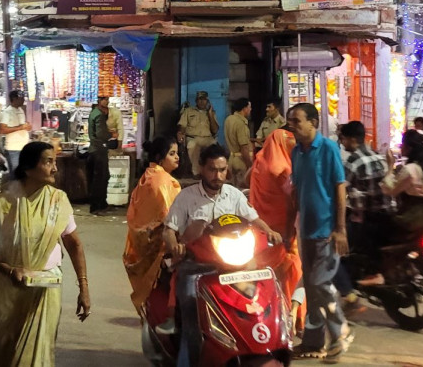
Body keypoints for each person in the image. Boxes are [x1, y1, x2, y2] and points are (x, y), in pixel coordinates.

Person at [163, 144, 282, 367]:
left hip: (235, 263)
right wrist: (175, 246)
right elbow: (169, 230)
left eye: (222, 170)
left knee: (264, 292)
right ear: (201, 169)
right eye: (212, 170)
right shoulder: (186, 197)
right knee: (191, 316)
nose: (218, 176)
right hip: (197, 266)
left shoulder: (234, 195)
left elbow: (254, 219)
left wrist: (270, 232)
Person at [0, 141, 91, 367]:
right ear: (28, 168)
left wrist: (84, 288)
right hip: (12, 292)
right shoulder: (3, 203)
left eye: (55, 162)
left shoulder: (57, 200)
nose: (55, 168)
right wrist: (11, 270)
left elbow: (74, 244)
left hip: (47, 289)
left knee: (40, 355)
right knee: (8, 353)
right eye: (48, 162)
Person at [287, 103, 353, 363]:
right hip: (306, 230)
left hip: (327, 231)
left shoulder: (328, 148)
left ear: (313, 122)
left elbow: (339, 188)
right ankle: (312, 342)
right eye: (290, 121)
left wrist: (340, 229)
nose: (292, 126)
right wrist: (290, 227)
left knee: (319, 284)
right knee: (312, 289)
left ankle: (340, 333)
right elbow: (297, 191)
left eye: (297, 121)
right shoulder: (296, 152)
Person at [248, 126, 305, 330]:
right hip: (283, 231)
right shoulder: (283, 169)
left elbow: (247, 181)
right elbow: (292, 203)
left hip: (260, 229)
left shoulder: (259, 161)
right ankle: (295, 318)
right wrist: (290, 233)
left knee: (263, 273)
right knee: (293, 270)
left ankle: (268, 315)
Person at [123, 136, 181, 313]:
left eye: (177, 153)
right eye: (172, 153)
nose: (177, 157)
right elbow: (167, 216)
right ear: (160, 157)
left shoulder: (151, 176)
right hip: (159, 244)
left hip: (144, 240)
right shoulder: (160, 181)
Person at [337, 121, 392, 288]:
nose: (342, 143)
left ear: (352, 139)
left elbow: (340, 187)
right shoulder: (378, 156)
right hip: (387, 214)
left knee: (338, 249)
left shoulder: (353, 161)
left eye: (344, 139)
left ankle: (348, 291)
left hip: (368, 218)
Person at [381, 130, 423, 234]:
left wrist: (390, 165)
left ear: (409, 148)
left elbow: (390, 190)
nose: (401, 147)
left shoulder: (411, 169)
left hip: (411, 221)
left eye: (402, 145)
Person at [176, 91, 219, 177]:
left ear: (207, 101)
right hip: (193, 138)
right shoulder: (188, 111)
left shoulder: (211, 113)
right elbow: (182, 125)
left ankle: (212, 170)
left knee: (214, 147)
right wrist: (180, 133)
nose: (202, 102)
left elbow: (215, 130)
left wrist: (210, 115)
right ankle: (196, 172)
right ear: (196, 100)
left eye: (204, 100)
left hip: (207, 138)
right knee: (193, 146)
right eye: (200, 99)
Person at [87, 95, 112, 215]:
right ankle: (97, 206)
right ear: (99, 100)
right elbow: (101, 134)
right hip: (99, 150)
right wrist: (111, 134)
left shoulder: (93, 113)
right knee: (101, 179)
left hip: (93, 150)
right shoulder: (99, 115)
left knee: (99, 178)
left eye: (108, 99)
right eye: (105, 99)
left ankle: (101, 204)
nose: (107, 101)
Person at [0, 90, 30, 175]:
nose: (23, 99)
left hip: (23, 147)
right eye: (21, 98)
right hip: (13, 149)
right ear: (14, 99)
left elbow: (22, 125)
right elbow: (2, 130)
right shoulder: (7, 112)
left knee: (23, 174)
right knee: (15, 174)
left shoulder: (20, 110)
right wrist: (20, 127)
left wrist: (27, 127)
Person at [223, 98, 253, 187]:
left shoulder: (229, 119)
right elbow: (244, 147)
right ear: (244, 108)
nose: (250, 109)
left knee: (233, 189)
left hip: (231, 159)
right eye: (249, 107)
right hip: (241, 161)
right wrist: (250, 165)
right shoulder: (241, 123)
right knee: (242, 190)